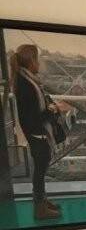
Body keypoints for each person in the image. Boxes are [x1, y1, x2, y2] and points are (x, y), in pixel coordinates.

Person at [10, 44, 62, 220]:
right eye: (37, 59)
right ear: (31, 61)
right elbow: (35, 117)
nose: (39, 63)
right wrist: (53, 109)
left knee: (40, 170)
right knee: (40, 171)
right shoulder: (28, 85)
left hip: (34, 133)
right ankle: (40, 209)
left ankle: (42, 202)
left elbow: (30, 113)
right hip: (37, 134)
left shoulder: (25, 80)